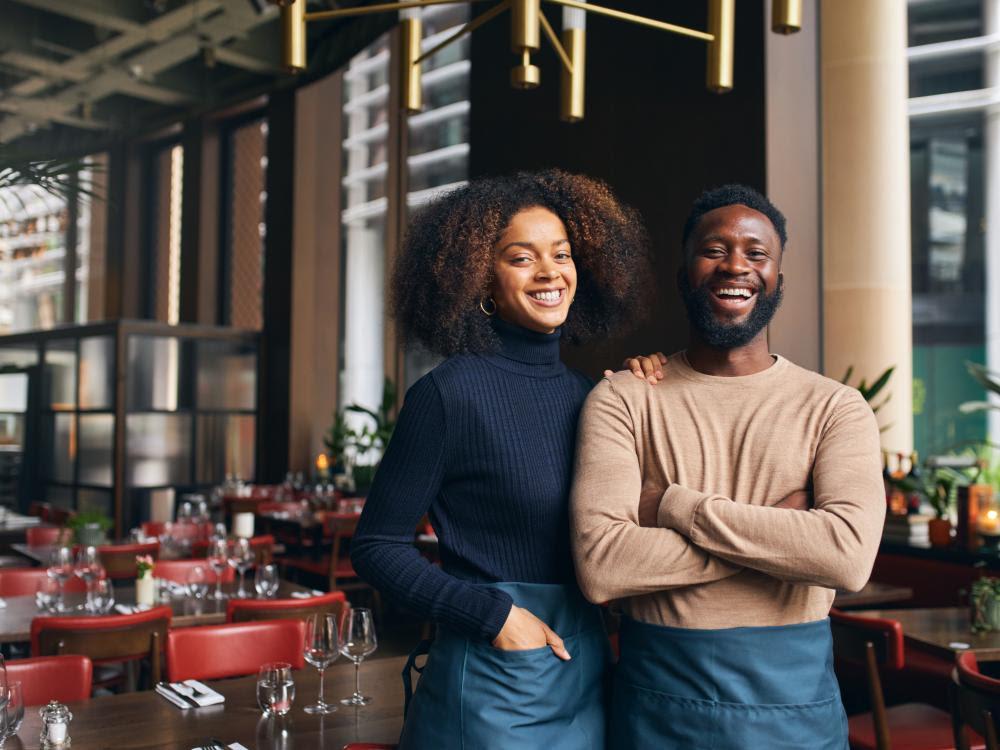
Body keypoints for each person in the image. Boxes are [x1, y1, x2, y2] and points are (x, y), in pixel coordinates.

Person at [351, 169, 657, 749]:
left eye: (562, 255)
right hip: (493, 681)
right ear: (480, 279)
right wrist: (494, 618)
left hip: (588, 671)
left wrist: (647, 390)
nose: (550, 273)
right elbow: (376, 548)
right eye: (522, 258)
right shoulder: (449, 395)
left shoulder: (593, 395)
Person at [570, 184, 885, 749]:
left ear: (777, 281)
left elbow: (846, 557)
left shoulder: (836, 407)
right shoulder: (624, 398)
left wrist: (673, 506)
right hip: (659, 704)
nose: (735, 265)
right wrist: (780, 539)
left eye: (756, 253)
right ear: (684, 275)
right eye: (714, 250)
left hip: (794, 708)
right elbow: (603, 567)